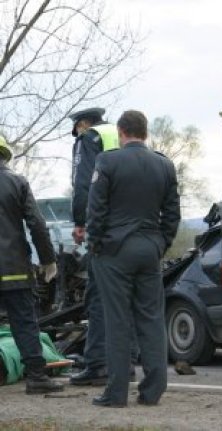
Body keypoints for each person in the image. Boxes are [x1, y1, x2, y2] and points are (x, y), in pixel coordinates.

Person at [87, 110, 181, 407]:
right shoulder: (164, 166)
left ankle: (116, 394)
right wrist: (160, 244)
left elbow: (96, 210)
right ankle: (153, 390)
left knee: (117, 321)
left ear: (121, 132)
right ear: (145, 132)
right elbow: (172, 214)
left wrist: (95, 245)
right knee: (151, 319)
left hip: (114, 251)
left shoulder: (107, 161)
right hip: (149, 248)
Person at [68, 107, 138, 386]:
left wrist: (80, 222)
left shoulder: (89, 138)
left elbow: (82, 183)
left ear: (83, 124)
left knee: (96, 297)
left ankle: (96, 364)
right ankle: (128, 362)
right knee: (127, 298)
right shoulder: (121, 137)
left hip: (104, 231)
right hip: (131, 230)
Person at [0, 136, 63, 394]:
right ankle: (37, 376)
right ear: (5, 156)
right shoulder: (17, 182)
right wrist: (48, 260)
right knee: (24, 321)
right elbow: (37, 224)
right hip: (14, 269)